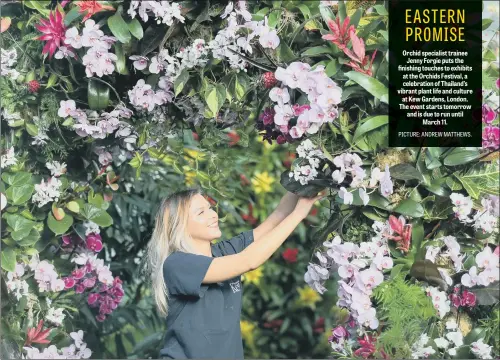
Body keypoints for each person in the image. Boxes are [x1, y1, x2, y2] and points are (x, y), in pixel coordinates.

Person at [146, 188, 325, 359]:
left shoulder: (224, 251)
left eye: (210, 208)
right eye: (201, 213)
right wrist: (299, 214)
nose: (213, 215)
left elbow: (276, 218)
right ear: (178, 226)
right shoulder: (178, 264)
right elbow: (249, 261)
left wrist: (303, 176)